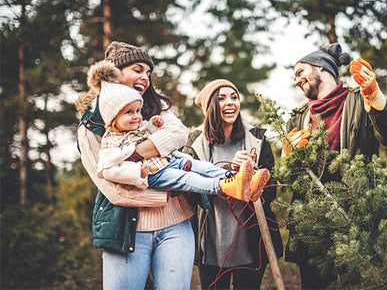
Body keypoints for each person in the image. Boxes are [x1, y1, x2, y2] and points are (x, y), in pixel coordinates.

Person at [283, 43, 387, 289]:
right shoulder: (297, 118)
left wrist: (375, 97)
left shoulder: (361, 100)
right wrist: (290, 157)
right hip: (314, 225)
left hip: (358, 219)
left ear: (321, 67)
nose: (296, 80)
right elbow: (292, 178)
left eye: (300, 72)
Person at [76, 41, 193, 290]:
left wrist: (131, 154)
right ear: (114, 73)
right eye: (138, 70)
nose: (145, 78)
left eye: (148, 73)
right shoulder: (90, 127)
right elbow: (111, 188)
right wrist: (163, 195)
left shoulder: (155, 107)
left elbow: (179, 134)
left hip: (176, 225)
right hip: (126, 229)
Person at [90, 66, 268, 201]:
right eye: (130, 112)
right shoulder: (111, 141)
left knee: (200, 166)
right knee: (188, 178)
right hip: (155, 173)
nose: (137, 116)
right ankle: (224, 185)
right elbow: (108, 169)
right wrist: (136, 170)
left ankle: (236, 179)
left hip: (168, 162)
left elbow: (154, 131)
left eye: (138, 111)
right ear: (113, 117)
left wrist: (154, 124)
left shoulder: (136, 126)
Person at [183, 79, 283, 290]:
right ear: (210, 106)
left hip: (251, 240)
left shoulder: (257, 138)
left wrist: (253, 177)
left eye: (234, 97)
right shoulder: (195, 141)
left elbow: (271, 189)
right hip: (212, 242)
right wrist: (229, 172)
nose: (230, 102)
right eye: (221, 99)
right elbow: (189, 192)